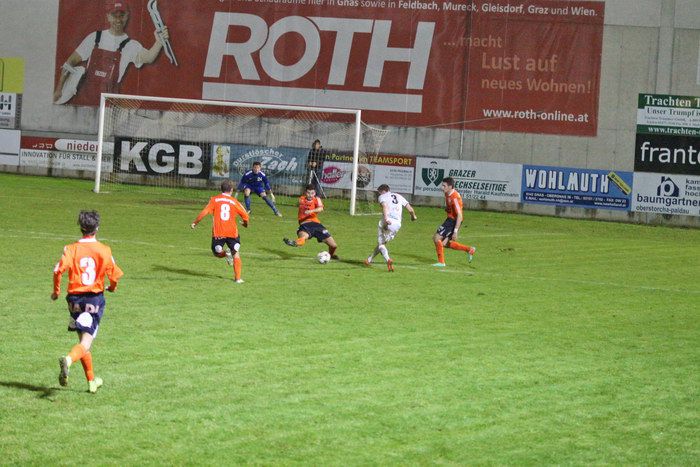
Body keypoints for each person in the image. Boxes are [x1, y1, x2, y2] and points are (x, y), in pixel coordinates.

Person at [52, 210, 123, 394]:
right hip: (93, 300)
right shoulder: (104, 250)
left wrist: (56, 291)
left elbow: (58, 270)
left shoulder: (71, 249)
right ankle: (68, 360)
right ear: (97, 228)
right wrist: (112, 287)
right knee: (85, 344)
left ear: (81, 228)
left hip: (74, 300)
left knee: (83, 342)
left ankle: (92, 382)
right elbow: (114, 275)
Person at [53, 1, 171, 106]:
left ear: (127, 16)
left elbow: (149, 58)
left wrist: (159, 42)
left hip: (110, 104)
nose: (118, 20)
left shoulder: (131, 45)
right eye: (114, 15)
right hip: (86, 101)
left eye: (122, 15)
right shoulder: (95, 37)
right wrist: (59, 88)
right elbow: (70, 62)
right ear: (108, 17)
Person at [191, 180, 250, 283]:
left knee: (217, 252)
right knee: (235, 252)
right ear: (231, 190)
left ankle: (226, 254)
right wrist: (245, 224)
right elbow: (245, 215)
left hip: (219, 232)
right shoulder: (234, 201)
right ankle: (238, 279)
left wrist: (195, 222)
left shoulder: (214, 200)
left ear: (221, 189)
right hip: (232, 232)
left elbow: (204, 212)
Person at [364, 184, 417, 271]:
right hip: (397, 224)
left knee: (381, 244)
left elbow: (384, 206)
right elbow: (410, 209)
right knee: (382, 243)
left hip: (387, 222)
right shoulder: (399, 196)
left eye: (379, 192)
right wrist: (413, 216)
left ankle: (388, 259)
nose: (379, 194)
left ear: (382, 191)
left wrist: (386, 219)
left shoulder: (382, 197)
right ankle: (369, 260)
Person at [283, 184, 338, 259]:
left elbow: (321, 208)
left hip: (317, 225)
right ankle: (295, 243)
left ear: (315, 193)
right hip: (305, 225)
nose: (310, 195)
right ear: (305, 192)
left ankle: (331, 255)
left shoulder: (317, 199)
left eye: (312, 193)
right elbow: (303, 203)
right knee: (303, 237)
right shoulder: (302, 199)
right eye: (308, 193)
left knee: (334, 246)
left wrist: (311, 211)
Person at [433, 177, 476, 267]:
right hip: (450, 220)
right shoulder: (447, 193)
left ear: (450, 187)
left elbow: (459, 215)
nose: (442, 188)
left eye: (444, 186)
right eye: (442, 185)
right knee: (444, 243)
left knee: (437, 238)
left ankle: (441, 262)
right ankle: (469, 249)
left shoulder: (455, 197)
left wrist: (455, 231)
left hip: (453, 221)